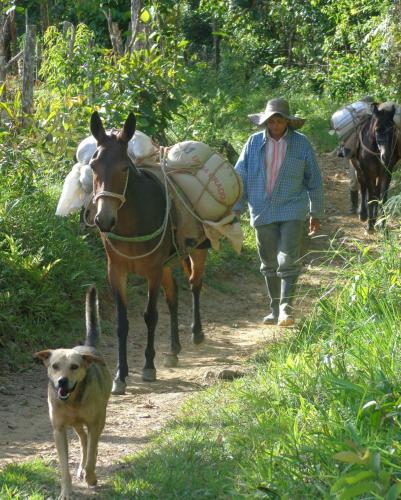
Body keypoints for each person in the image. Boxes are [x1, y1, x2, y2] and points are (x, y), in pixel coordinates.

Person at [233, 97, 324, 327]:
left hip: (292, 207)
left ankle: (286, 308)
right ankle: (274, 309)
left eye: (280, 121)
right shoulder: (253, 143)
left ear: (287, 122)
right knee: (268, 262)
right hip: (262, 208)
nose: (275, 125)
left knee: (287, 258)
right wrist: (236, 207)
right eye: (272, 121)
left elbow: (314, 180)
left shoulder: (301, 144)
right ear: (265, 122)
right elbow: (240, 175)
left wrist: (316, 212)